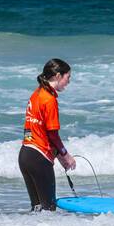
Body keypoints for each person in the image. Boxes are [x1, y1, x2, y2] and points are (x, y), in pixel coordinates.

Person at [19, 59, 74, 212]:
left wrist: (57, 155)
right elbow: (52, 134)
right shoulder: (49, 100)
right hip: (39, 158)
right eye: (67, 77)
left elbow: (37, 131)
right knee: (49, 210)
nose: (68, 82)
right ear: (57, 76)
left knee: (37, 209)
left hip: (26, 155)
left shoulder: (36, 95)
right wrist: (65, 154)